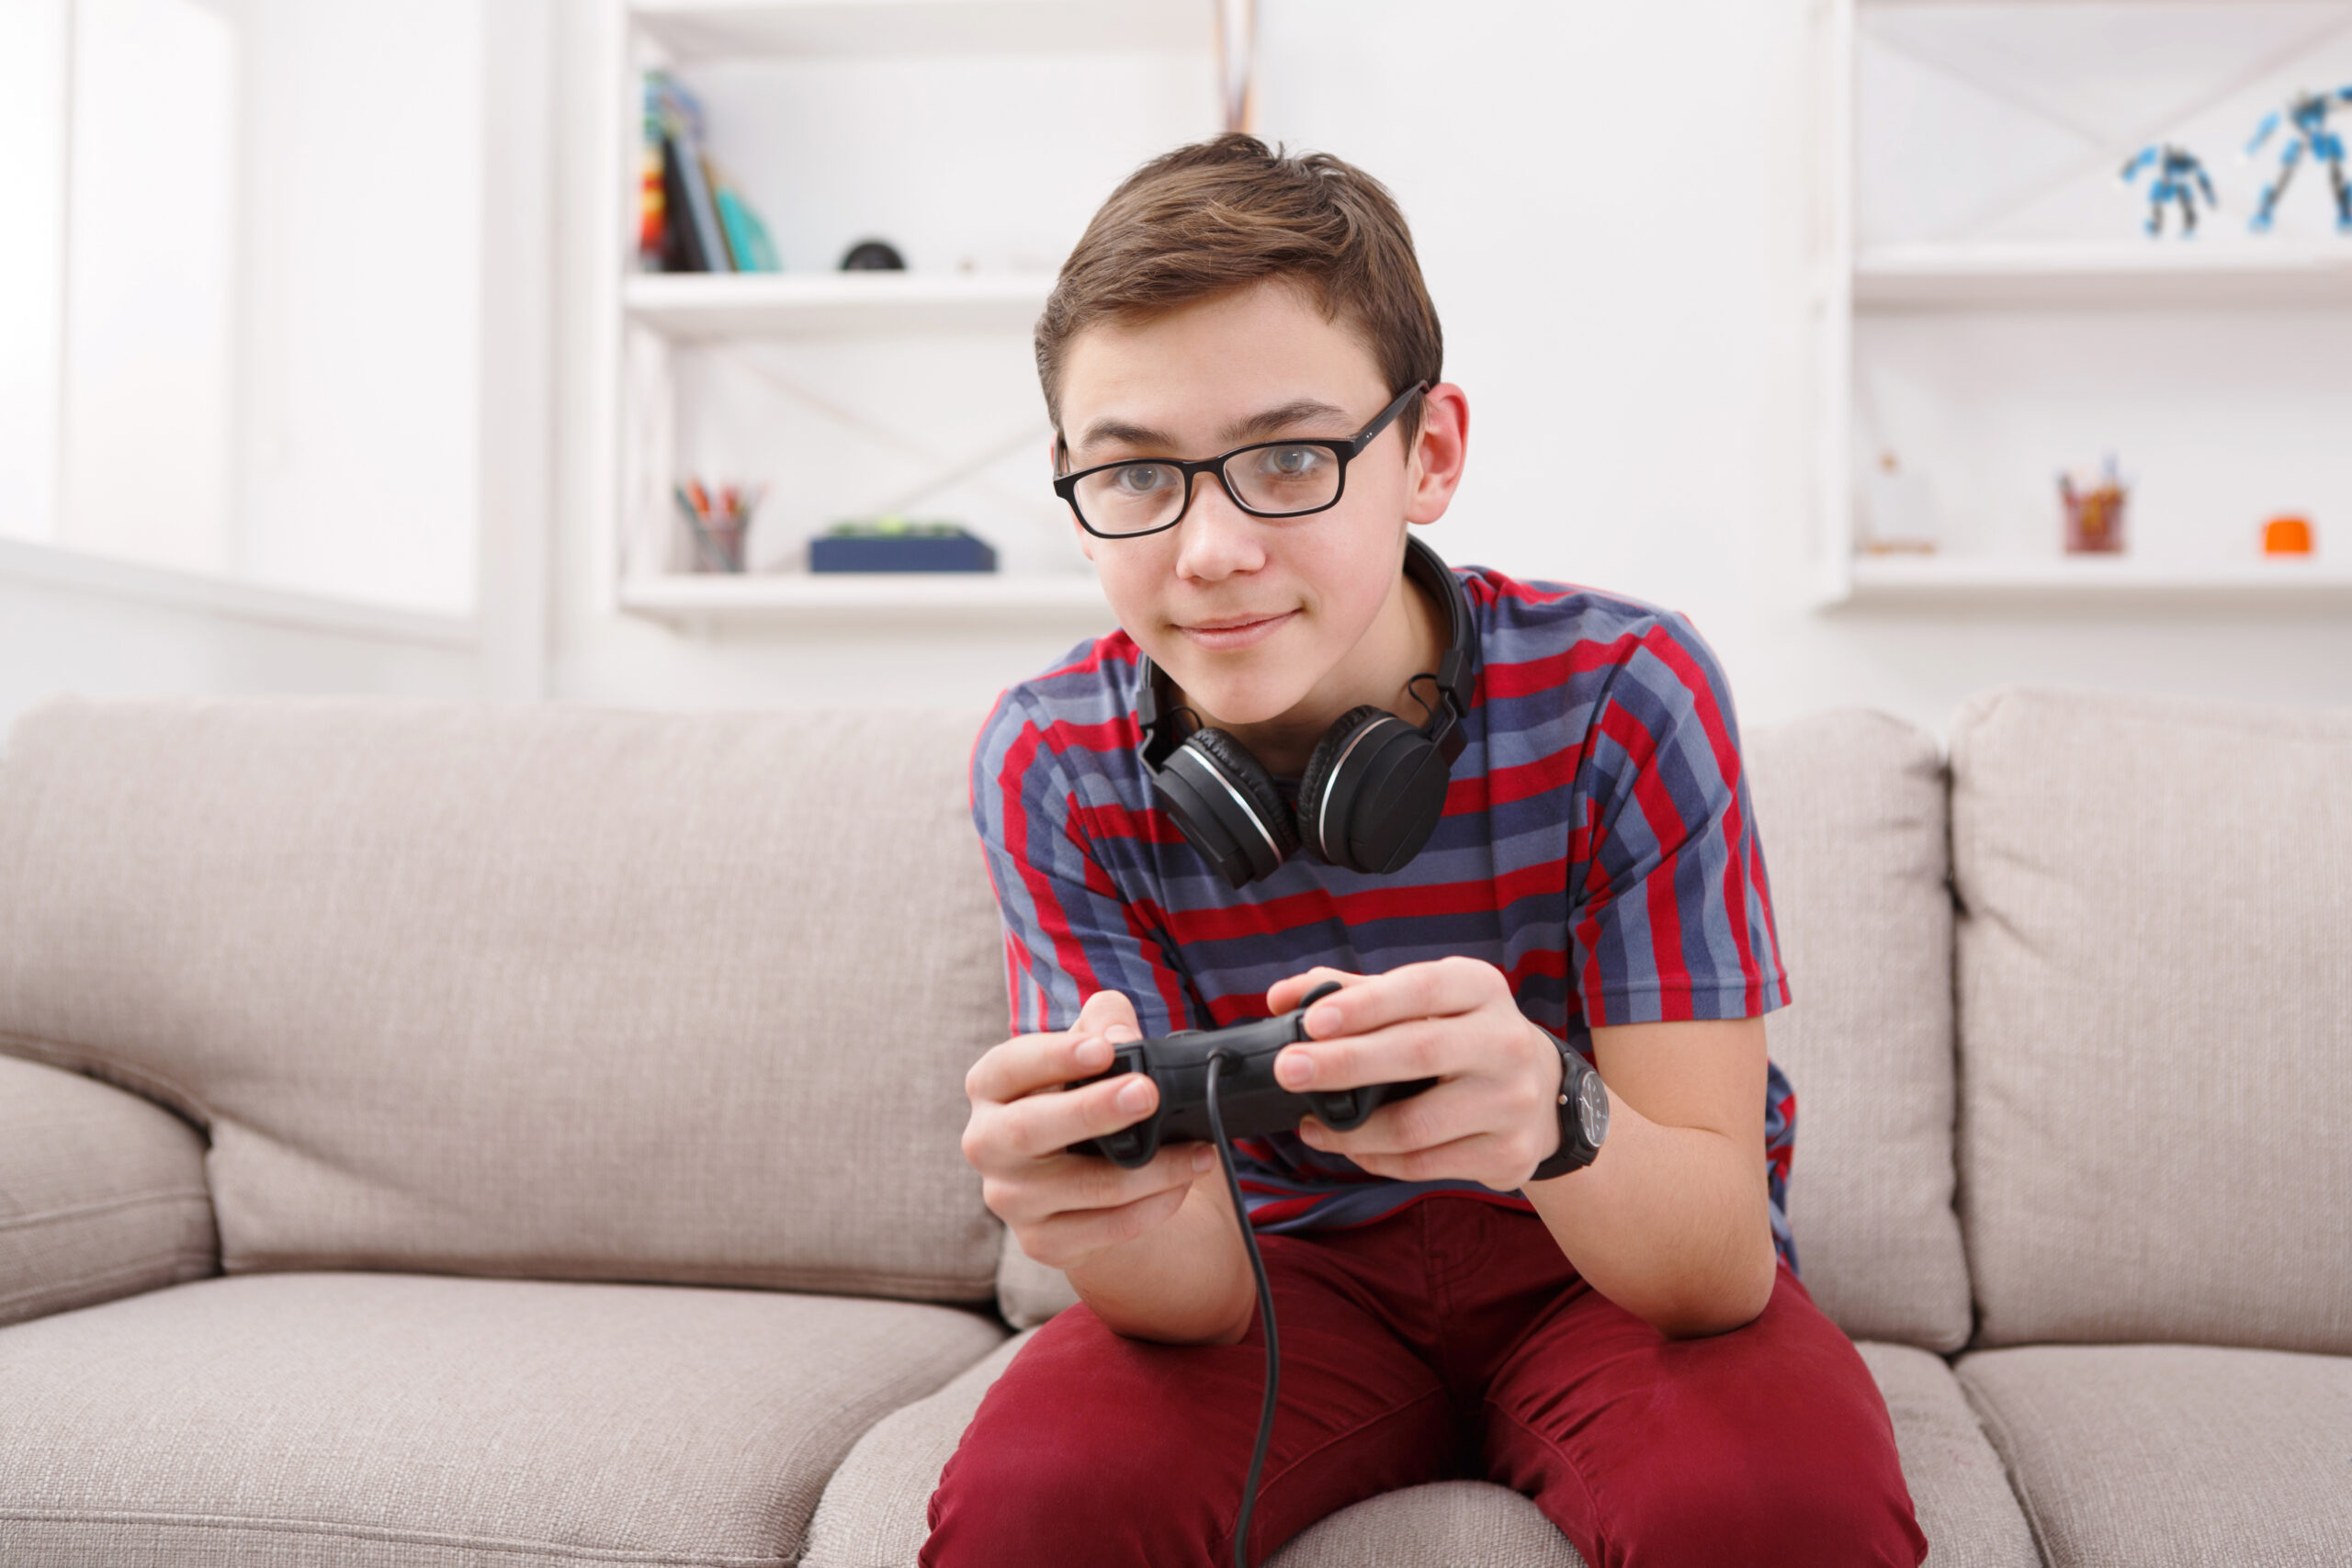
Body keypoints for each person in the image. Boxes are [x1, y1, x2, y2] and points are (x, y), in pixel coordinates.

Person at [933, 133, 1926, 1568]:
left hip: (1606, 1262)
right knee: (1037, 1506)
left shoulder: (1627, 697)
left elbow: (1714, 1265)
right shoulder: (1051, 763)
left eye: (1288, 458)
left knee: (1779, 1508)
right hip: (1279, 1285)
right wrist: (1105, 1215)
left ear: (1430, 453)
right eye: (1136, 475)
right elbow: (1193, 1307)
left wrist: (1552, 1114)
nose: (1207, 549)